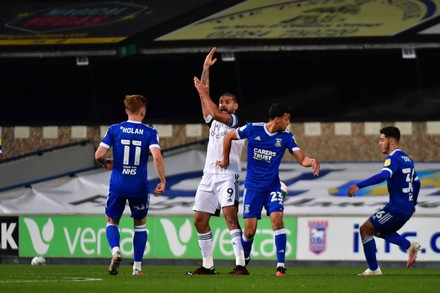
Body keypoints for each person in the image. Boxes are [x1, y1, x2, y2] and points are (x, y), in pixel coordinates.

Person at [217, 103, 320, 277]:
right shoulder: (252, 129)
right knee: (249, 231)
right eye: (286, 119)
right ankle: (245, 258)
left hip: (273, 186)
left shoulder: (286, 137)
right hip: (253, 188)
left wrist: (312, 161)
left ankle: (280, 267)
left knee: (277, 220)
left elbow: (302, 159)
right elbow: (227, 137)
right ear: (278, 119)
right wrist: (225, 160)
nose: (288, 123)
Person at [188, 47, 248, 275]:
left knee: (230, 216)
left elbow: (211, 107)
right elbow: (208, 106)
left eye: (228, 101)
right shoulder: (213, 121)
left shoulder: (234, 120)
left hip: (227, 175)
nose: (223, 103)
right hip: (208, 176)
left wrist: (204, 93)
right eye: (221, 101)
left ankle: (241, 264)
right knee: (199, 220)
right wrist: (205, 68)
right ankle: (207, 265)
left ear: (235, 106)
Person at [95, 94, 166, 276]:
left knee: (111, 220)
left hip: (118, 185)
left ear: (126, 111)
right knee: (140, 224)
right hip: (139, 186)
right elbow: (157, 157)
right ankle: (137, 268)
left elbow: (98, 155)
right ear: (143, 111)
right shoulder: (150, 132)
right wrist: (162, 180)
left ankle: (116, 251)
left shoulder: (114, 129)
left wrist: (105, 163)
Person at [347, 126, 421, 276]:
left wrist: (358, 185)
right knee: (379, 231)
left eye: (382, 140)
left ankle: (374, 269)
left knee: (365, 229)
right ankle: (409, 245)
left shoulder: (392, 159)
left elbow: (383, 176)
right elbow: (417, 183)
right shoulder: (408, 160)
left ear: (391, 141)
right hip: (406, 209)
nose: (379, 143)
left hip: (396, 208)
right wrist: (413, 203)